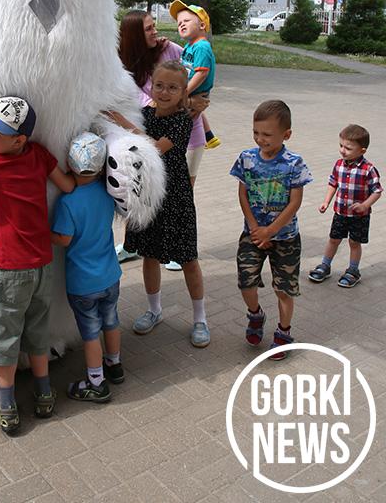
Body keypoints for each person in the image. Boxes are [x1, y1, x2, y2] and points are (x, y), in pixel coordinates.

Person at [0, 96, 75, 436]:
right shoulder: (38, 155)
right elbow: (67, 185)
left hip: (8, 268)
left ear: (19, 139)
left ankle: (7, 402)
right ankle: (44, 391)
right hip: (42, 263)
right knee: (37, 331)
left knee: (3, 335)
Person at [105, 61, 210, 348]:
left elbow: (155, 147)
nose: (164, 92)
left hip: (176, 198)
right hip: (147, 196)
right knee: (149, 255)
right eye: (159, 85)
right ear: (151, 86)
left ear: (183, 93)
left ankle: (200, 318)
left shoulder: (183, 120)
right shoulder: (143, 114)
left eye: (172, 88)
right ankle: (154, 310)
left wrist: (121, 121)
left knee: (188, 258)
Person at [117, 9, 208, 269]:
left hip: (185, 135)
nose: (155, 32)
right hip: (148, 133)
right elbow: (138, 100)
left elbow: (199, 69)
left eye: (153, 26)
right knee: (141, 189)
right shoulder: (123, 62)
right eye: (148, 28)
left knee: (180, 193)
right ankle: (132, 245)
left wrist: (196, 97)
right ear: (135, 36)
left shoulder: (169, 50)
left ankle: (176, 248)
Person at [230, 100, 312, 360]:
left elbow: (295, 202)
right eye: (256, 132)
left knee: (283, 289)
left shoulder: (294, 163)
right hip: (253, 234)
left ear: (286, 134)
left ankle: (284, 332)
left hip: (285, 238)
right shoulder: (246, 158)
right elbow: (242, 193)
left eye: (267, 134)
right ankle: (255, 315)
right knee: (246, 281)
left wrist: (271, 230)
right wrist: (256, 228)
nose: (260, 139)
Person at [51, 132, 122, 403]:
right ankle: (114, 365)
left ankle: (96, 382)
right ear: (102, 167)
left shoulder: (68, 202)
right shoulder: (107, 193)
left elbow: (64, 239)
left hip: (83, 283)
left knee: (91, 334)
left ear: (69, 165)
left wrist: (46, 234)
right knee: (111, 321)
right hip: (110, 275)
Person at [308, 124, 382, 288]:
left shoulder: (368, 169)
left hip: (359, 216)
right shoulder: (339, 164)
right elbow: (333, 183)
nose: (342, 150)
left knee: (354, 243)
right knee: (333, 239)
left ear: (362, 150)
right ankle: (325, 265)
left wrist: (365, 205)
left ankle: (353, 271)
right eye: (341, 145)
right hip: (340, 213)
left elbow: (377, 191)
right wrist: (326, 201)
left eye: (348, 148)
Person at [169, 0, 220, 150]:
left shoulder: (202, 47)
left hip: (197, 90)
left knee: (186, 117)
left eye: (186, 21)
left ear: (202, 25)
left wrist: (184, 92)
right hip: (191, 89)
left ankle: (195, 142)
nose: (181, 24)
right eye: (179, 23)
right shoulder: (189, 46)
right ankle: (208, 137)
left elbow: (201, 73)